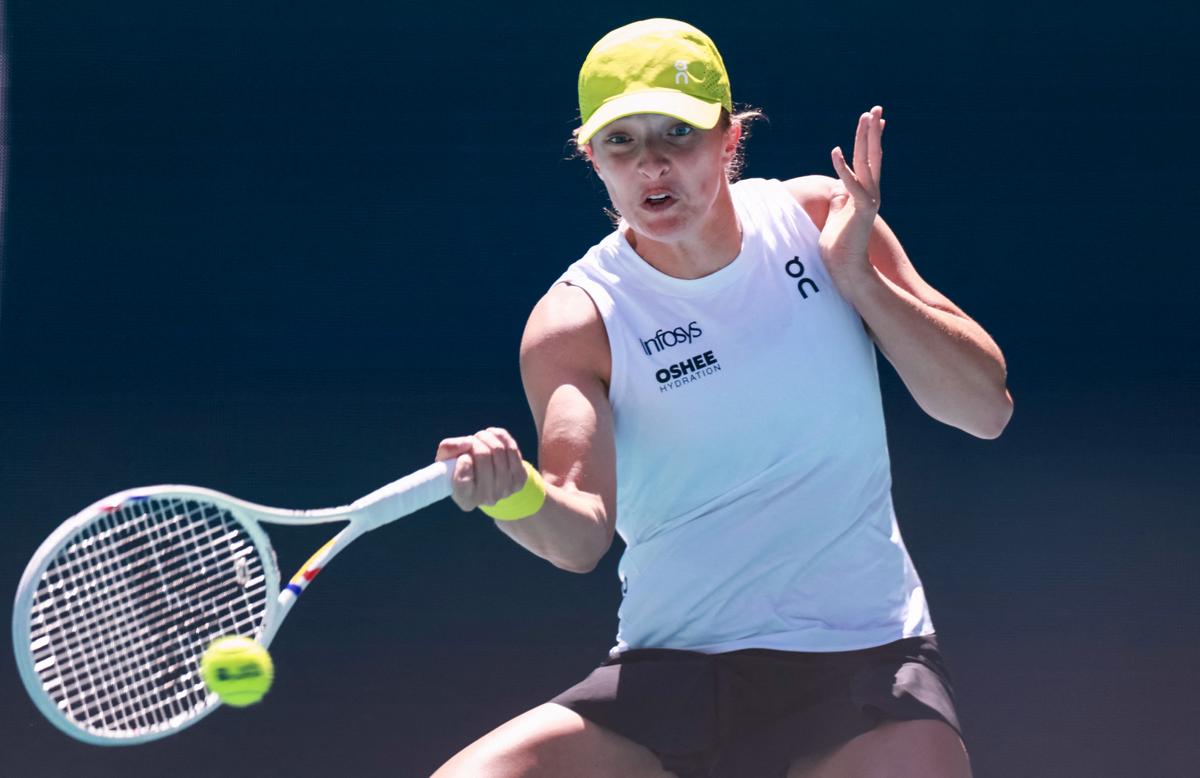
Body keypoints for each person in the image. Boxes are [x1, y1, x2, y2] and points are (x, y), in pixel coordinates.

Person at [431, 18, 1011, 778]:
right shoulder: (578, 320)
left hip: (866, 665)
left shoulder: (817, 220)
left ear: (729, 138)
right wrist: (514, 494)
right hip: (671, 682)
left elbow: (985, 408)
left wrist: (859, 280)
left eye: (677, 132)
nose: (652, 164)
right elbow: (578, 538)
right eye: (622, 142)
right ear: (592, 158)